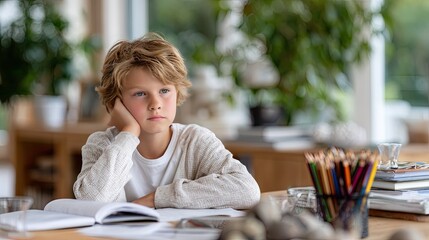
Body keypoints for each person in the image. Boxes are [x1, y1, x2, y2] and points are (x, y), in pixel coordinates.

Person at [73, 32, 261, 209]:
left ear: (177, 91)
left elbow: (247, 190)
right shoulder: (101, 144)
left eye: (164, 91)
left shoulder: (196, 141)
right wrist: (128, 132)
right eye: (140, 93)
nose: (155, 104)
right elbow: (91, 200)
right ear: (116, 101)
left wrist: (156, 198)